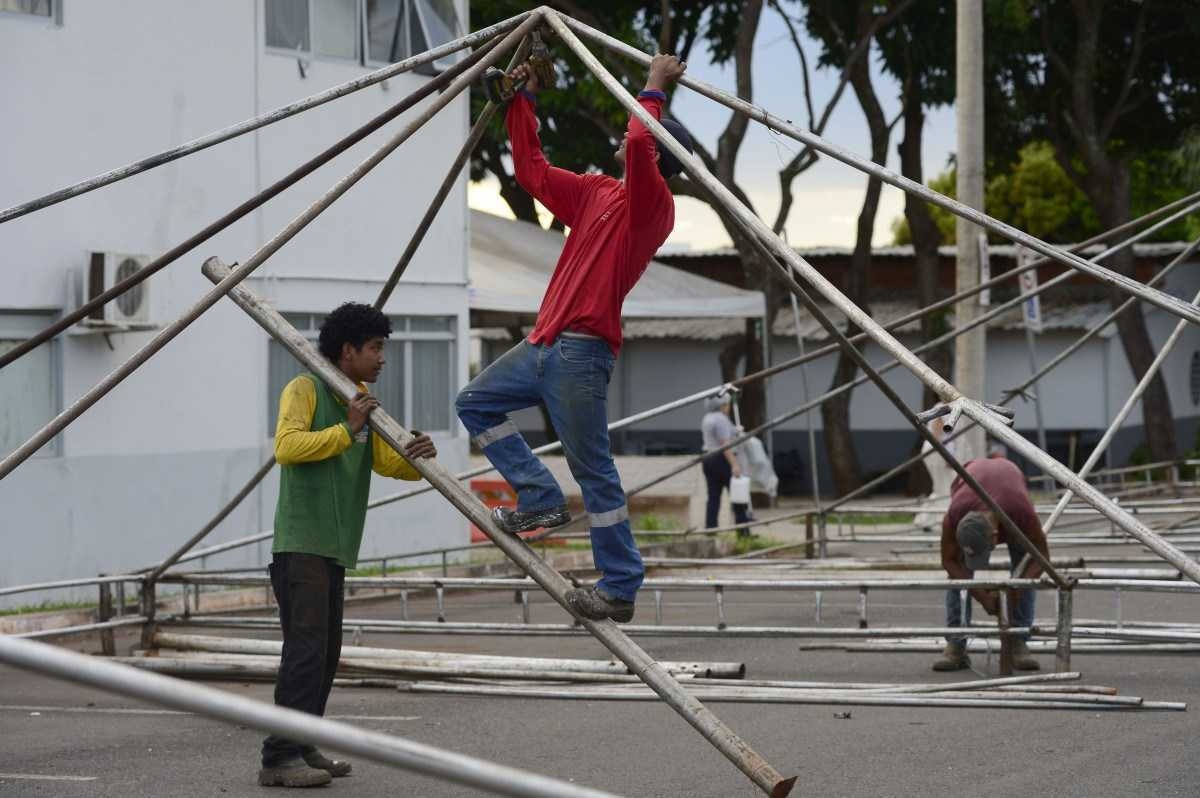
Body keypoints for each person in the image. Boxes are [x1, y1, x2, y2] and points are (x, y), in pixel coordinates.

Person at [455, 53, 692, 624]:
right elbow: (531, 173)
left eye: (638, 135)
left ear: (660, 154)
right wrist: (525, 102)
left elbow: (639, 145)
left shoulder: (653, 208)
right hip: (545, 343)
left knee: (594, 471)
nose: (622, 139)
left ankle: (620, 585)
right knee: (475, 402)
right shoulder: (596, 193)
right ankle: (537, 496)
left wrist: (656, 86)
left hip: (582, 350)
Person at [258, 302, 437, 788]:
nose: (382, 359)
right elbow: (286, 447)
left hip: (334, 546)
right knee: (305, 650)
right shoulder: (307, 388)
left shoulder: (359, 399)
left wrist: (417, 455)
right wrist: (346, 429)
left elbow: (386, 462)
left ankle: (303, 740)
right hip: (302, 543)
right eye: (375, 348)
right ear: (348, 350)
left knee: (327, 651)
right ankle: (278, 757)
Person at [934, 456, 1049, 673]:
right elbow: (948, 561)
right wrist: (982, 595)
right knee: (959, 574)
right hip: (971, 474)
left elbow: (1042, 557)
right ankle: (956, 644)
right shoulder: (955, 516)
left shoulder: (1020, 513)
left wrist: (1014, 592)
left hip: (1009, 478)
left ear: (996, 536)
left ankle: (1018, 640)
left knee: (1024, 566)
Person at [700, 394, 750, 533]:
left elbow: (726, 435)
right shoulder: (721, 419)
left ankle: (711, 529)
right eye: (726, 404)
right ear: (722, 405)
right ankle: (743, 531)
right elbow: (725, 444)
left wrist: (736, 430)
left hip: (708, 458)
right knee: (737, 495)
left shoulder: (707, 418)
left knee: (713, 497)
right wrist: (734, 464)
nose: (728, 407)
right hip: (722, 459)